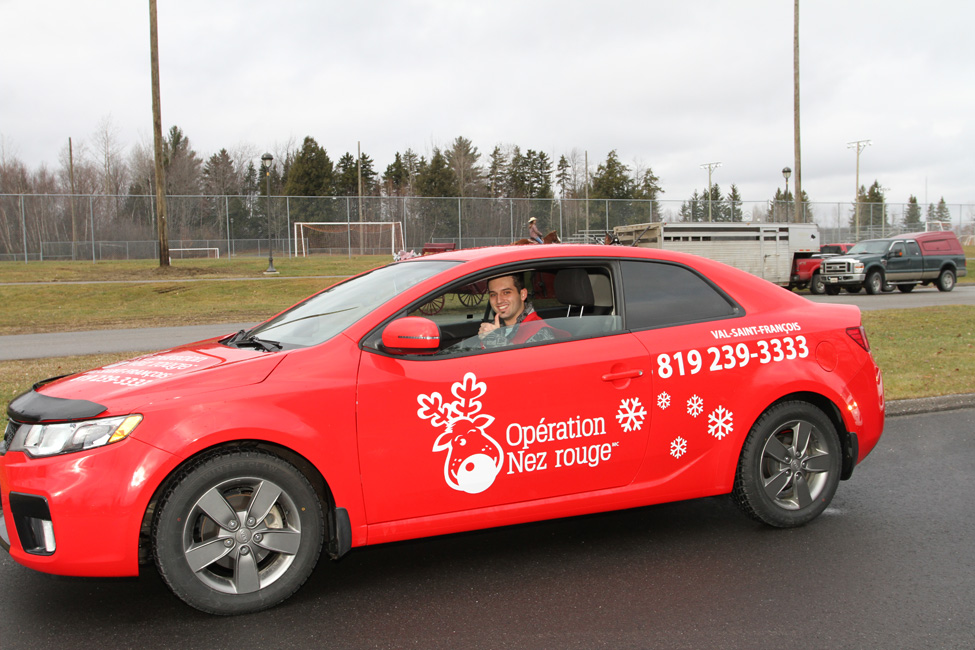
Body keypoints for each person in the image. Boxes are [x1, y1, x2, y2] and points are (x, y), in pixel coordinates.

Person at [476, 274, 555, 348]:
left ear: (523, 294)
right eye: (493, 294)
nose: (499, 300)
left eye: (506, 292)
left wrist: (493, 340)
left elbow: (523, 358)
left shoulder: (540, 332)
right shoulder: (494, 329)